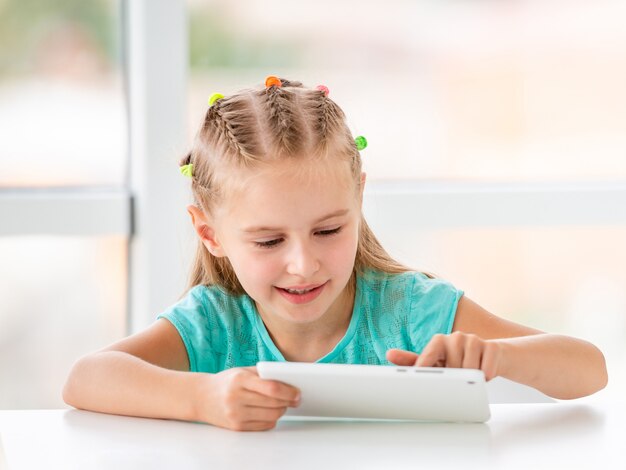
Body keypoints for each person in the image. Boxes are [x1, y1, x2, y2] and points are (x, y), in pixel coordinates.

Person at [63, 76, 608, 431]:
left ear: (359, 198)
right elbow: (86, 378)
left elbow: (590, 371)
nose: (303, 263)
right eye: (269, 241)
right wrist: (200, 399)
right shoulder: (213, 322)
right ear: (210, 235)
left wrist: (500, 358)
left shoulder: (410, 310)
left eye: (328, 230)